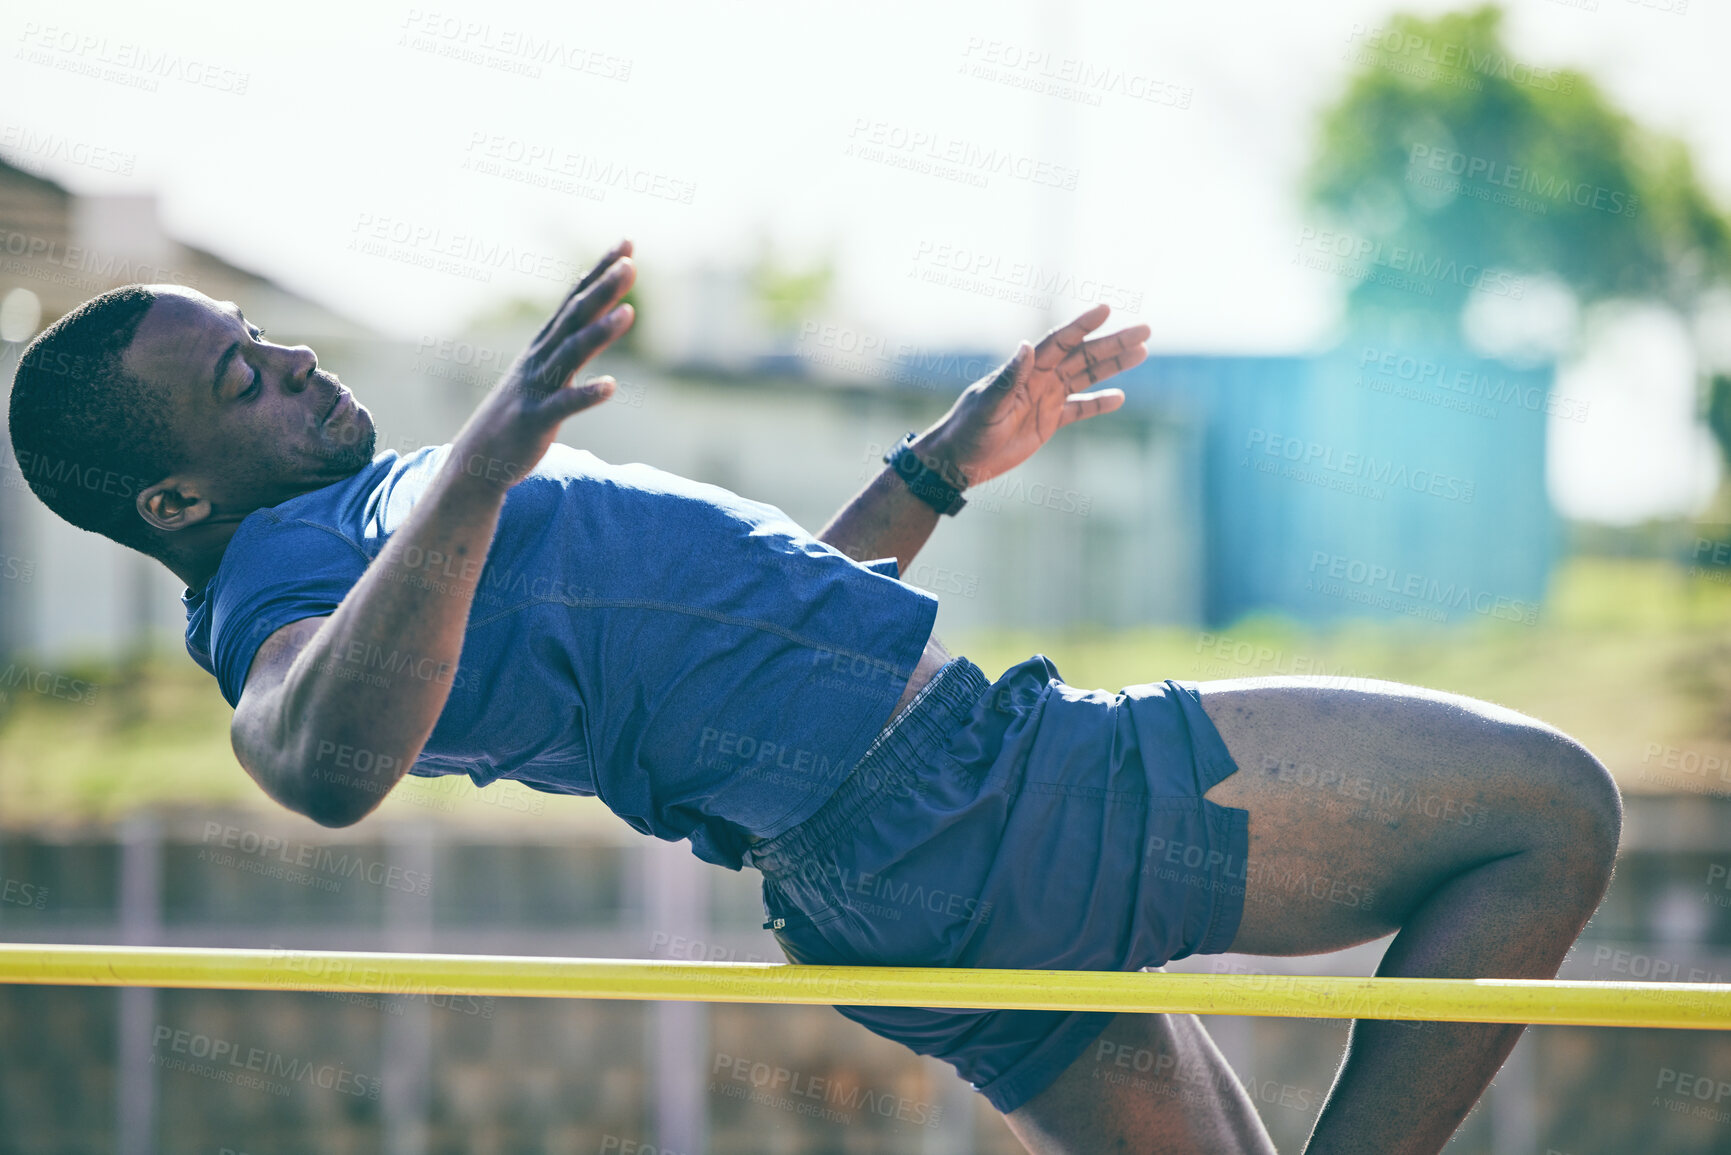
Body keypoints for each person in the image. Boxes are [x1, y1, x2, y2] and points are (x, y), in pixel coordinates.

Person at [8, 241, 1621, 1155]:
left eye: (267, 340)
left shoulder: (389, 533)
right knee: (1548, 810)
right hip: (986, 801)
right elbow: (318, 761)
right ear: (170, 504)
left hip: (891, 860)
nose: (290, 368)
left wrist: (938, 467)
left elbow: (780, 657)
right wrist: (484, 465)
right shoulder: (290, 591)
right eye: (241, 383)